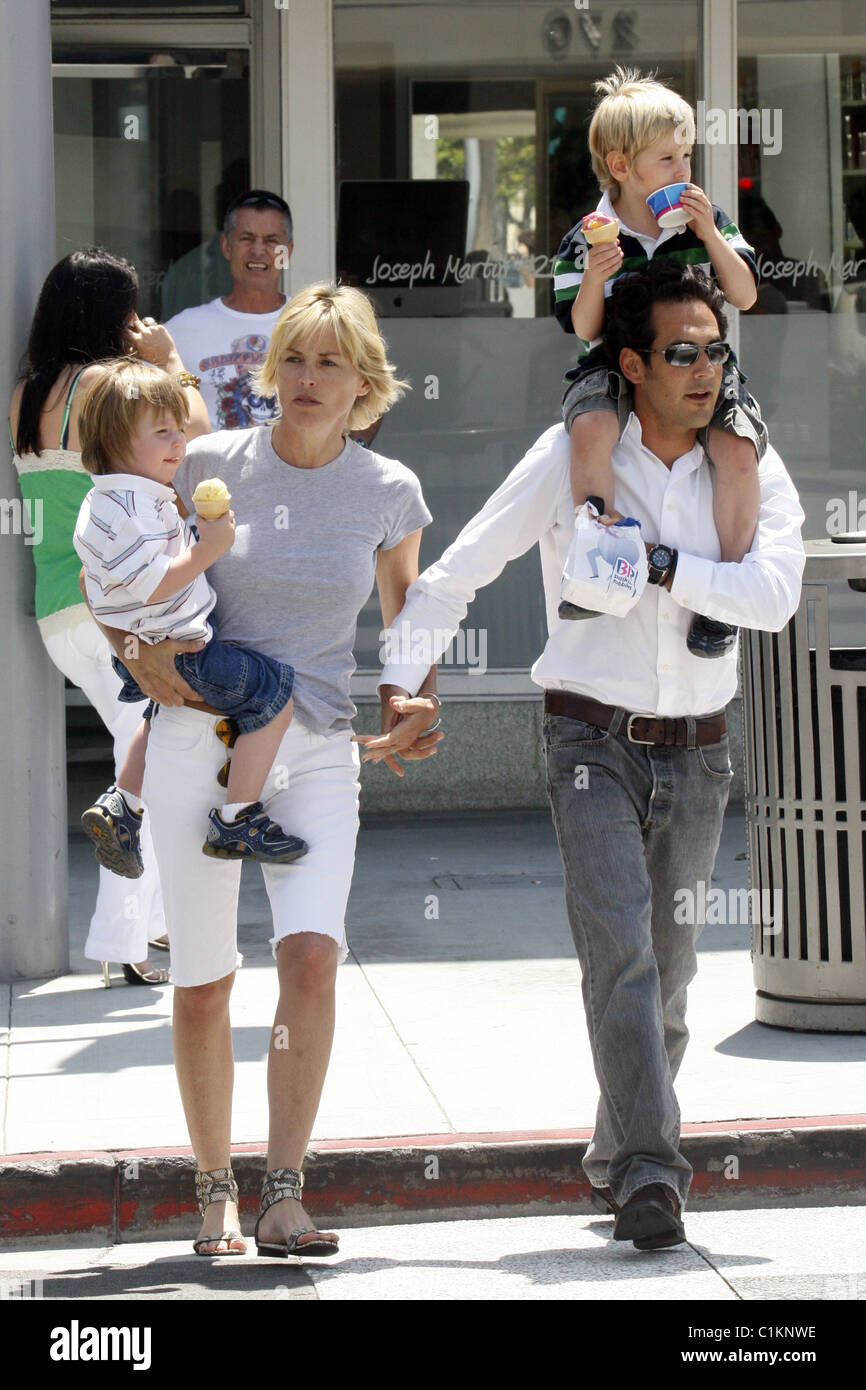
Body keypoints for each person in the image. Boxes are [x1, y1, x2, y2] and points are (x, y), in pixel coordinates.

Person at [362, 261, 805, 1251]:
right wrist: (402, 681)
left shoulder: (747, 459)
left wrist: (654, 565)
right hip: (585, 740)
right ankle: (652, 1171)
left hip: (698, 750)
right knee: (621, 960)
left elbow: (772, 594)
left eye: (715, 351)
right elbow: (452, 575)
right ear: (631, 363)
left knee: (670, 977)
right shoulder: (571, 455)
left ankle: (616, 1157)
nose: (704, 370)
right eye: (681, 353)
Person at [87, 284, 441, 1257]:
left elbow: (406, 623)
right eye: (292, 358)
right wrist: (130, 650)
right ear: (266, 369)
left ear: (363, 383)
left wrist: (410, 702)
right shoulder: (201, 463)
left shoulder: (387, 488)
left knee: (311, 958)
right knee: (201, 980)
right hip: (198, 742)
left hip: (317, 747)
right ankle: (213, 1193)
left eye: (329, 362)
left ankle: (284, 1186)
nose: (307, 379)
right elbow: (120, 569)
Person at [8, 248, 210, 986]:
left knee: (150, 763)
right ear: (106, 316)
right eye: (127, 310)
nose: (137, 325)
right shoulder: (106, 386)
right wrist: (172, 357)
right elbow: (196, 440)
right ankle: (123, 946)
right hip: (119, 614)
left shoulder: (27, 393)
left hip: (59, 613)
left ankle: (150, 930)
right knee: (144, 786)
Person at [553, 68, 766, 661]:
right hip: (614, 362)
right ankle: (598, 568)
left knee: (737, 449)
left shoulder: (709, 219)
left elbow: (746, 296)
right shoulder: (588, 238)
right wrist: (597, 276)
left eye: (687, 155)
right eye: (668, 158)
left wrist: (709, 232)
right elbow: (584, 327)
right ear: (621, 168)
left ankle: (723, 595)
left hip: (697, 363)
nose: (684, 172)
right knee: (592, 428)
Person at [73, 360, 305, 876]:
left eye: (179, 429)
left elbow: (99, 583)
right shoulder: (124, 506)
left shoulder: (116, 499)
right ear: (113, 441)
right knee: (275, 694)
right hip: (188, 649)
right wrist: (211, 547)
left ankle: (123, 803)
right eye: (162, 432)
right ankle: (237, 818)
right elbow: (153, 581)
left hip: (151, 645)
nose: (179, 443)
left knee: (155, 718)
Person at [164, 189, 293, 431]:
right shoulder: (185, 328)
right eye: (246, 238)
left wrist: (352, 446)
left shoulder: (312, 322)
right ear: (226, 246)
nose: (258, 250)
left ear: (287, 251)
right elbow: (138, 398)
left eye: (271, 240)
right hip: (211, 469)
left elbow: (370, 386)